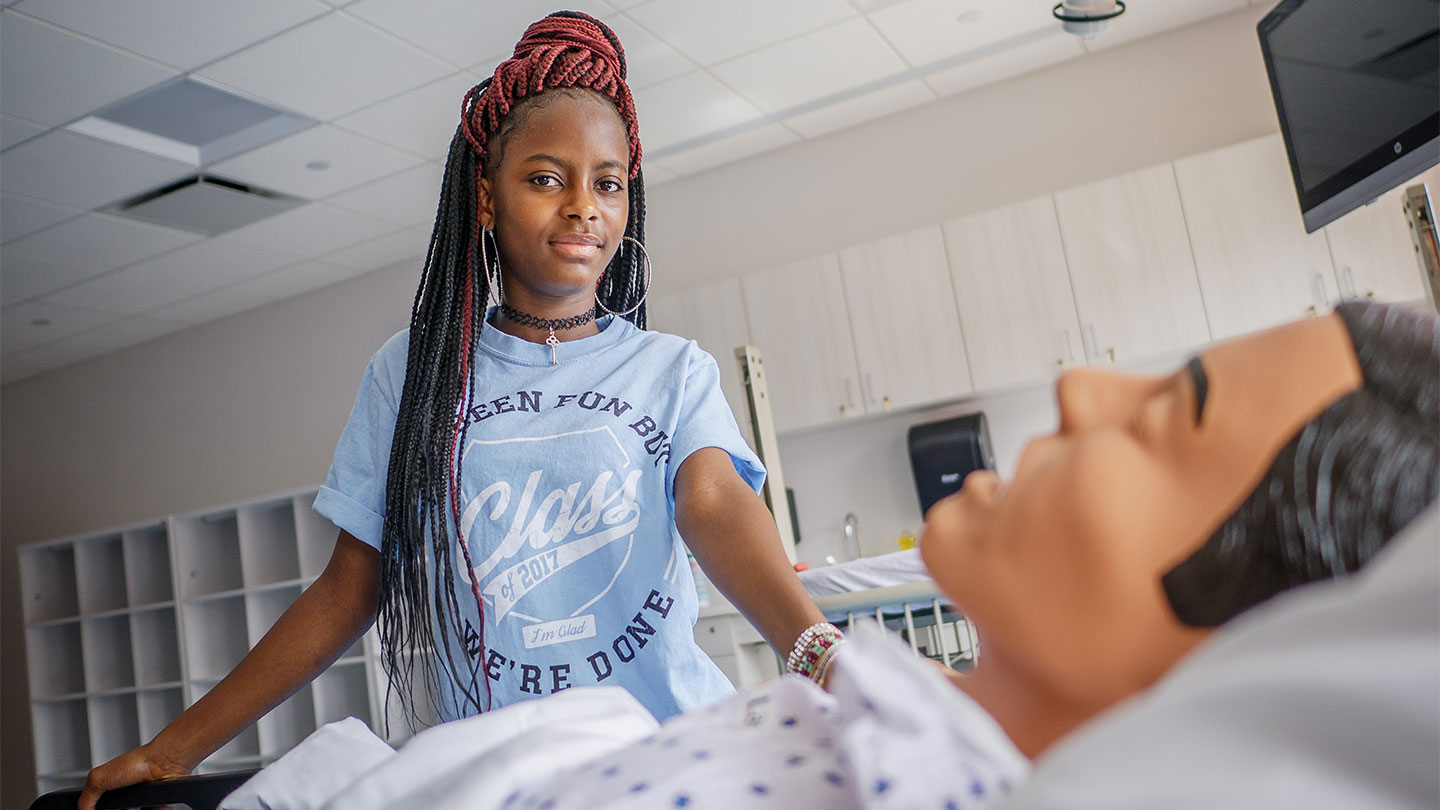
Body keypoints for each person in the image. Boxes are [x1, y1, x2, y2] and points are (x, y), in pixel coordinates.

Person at [196, 300, 1440, 810]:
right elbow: (356, 586)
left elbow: (710, 506)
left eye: (1171, 412)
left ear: (1233, 640)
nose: (1082, 382)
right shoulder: (885, 723)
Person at [79, 13, 828, 809]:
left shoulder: (671, 369)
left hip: (673, 769)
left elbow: (713, 500)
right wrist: (171, 752)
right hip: (503, 782)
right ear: (486, 197)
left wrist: (824, 656)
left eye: (608, 183)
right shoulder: (413, 376)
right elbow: (348, 588)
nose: (584, 206)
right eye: (546, 178)